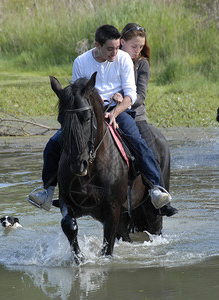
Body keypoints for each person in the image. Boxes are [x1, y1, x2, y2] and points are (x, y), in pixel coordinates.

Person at [27, 24, 177, 216]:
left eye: (117, 47)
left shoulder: (123, 59)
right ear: (97, 45)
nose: (115, 52)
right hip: (89, 113)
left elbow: (131, 95)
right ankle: (47, 190)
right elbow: (78, 94)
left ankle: (156, 188)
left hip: (118, 111)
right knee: (53, 144)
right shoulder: (81, 62)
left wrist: (114, 113)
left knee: (138, 141)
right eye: (110, 49)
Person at [118, 23, 177, 216]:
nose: (138, 50)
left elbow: (140, 96)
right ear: (122, 42)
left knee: (152, 152)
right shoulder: (113, 58)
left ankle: (159, 194)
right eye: (134, 46)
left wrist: (124, 101)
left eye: (141, 47)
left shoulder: (141, 63)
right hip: (109, 112)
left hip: (135, 116)